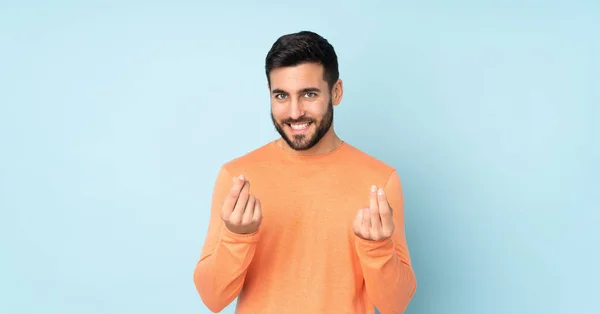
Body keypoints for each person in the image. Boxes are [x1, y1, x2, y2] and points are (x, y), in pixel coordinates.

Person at [193, 30, 417, 314]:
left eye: (309, 94)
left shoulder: (380, 181)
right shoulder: (237, 177)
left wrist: (378, 249)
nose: (295, 111)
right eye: (282, 95)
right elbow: (212, 298)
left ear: (336, 92)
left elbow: (394, 305)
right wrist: (237, 236)